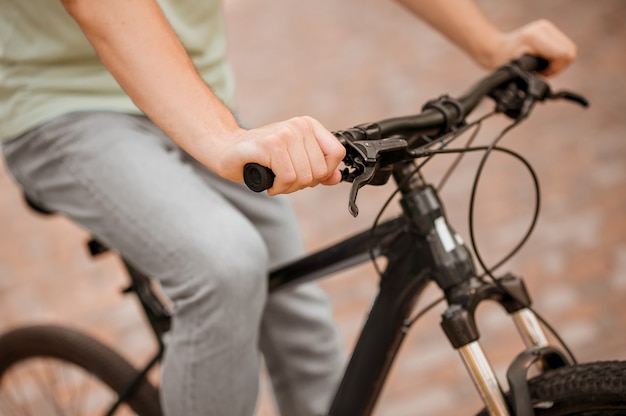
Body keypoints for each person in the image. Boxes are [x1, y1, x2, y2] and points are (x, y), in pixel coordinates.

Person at [0, 0, 576, 415]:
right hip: (62, 107)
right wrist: (223, 139)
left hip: (197, 92)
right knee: (223, 266)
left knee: (304, 332)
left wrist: (489, 44)